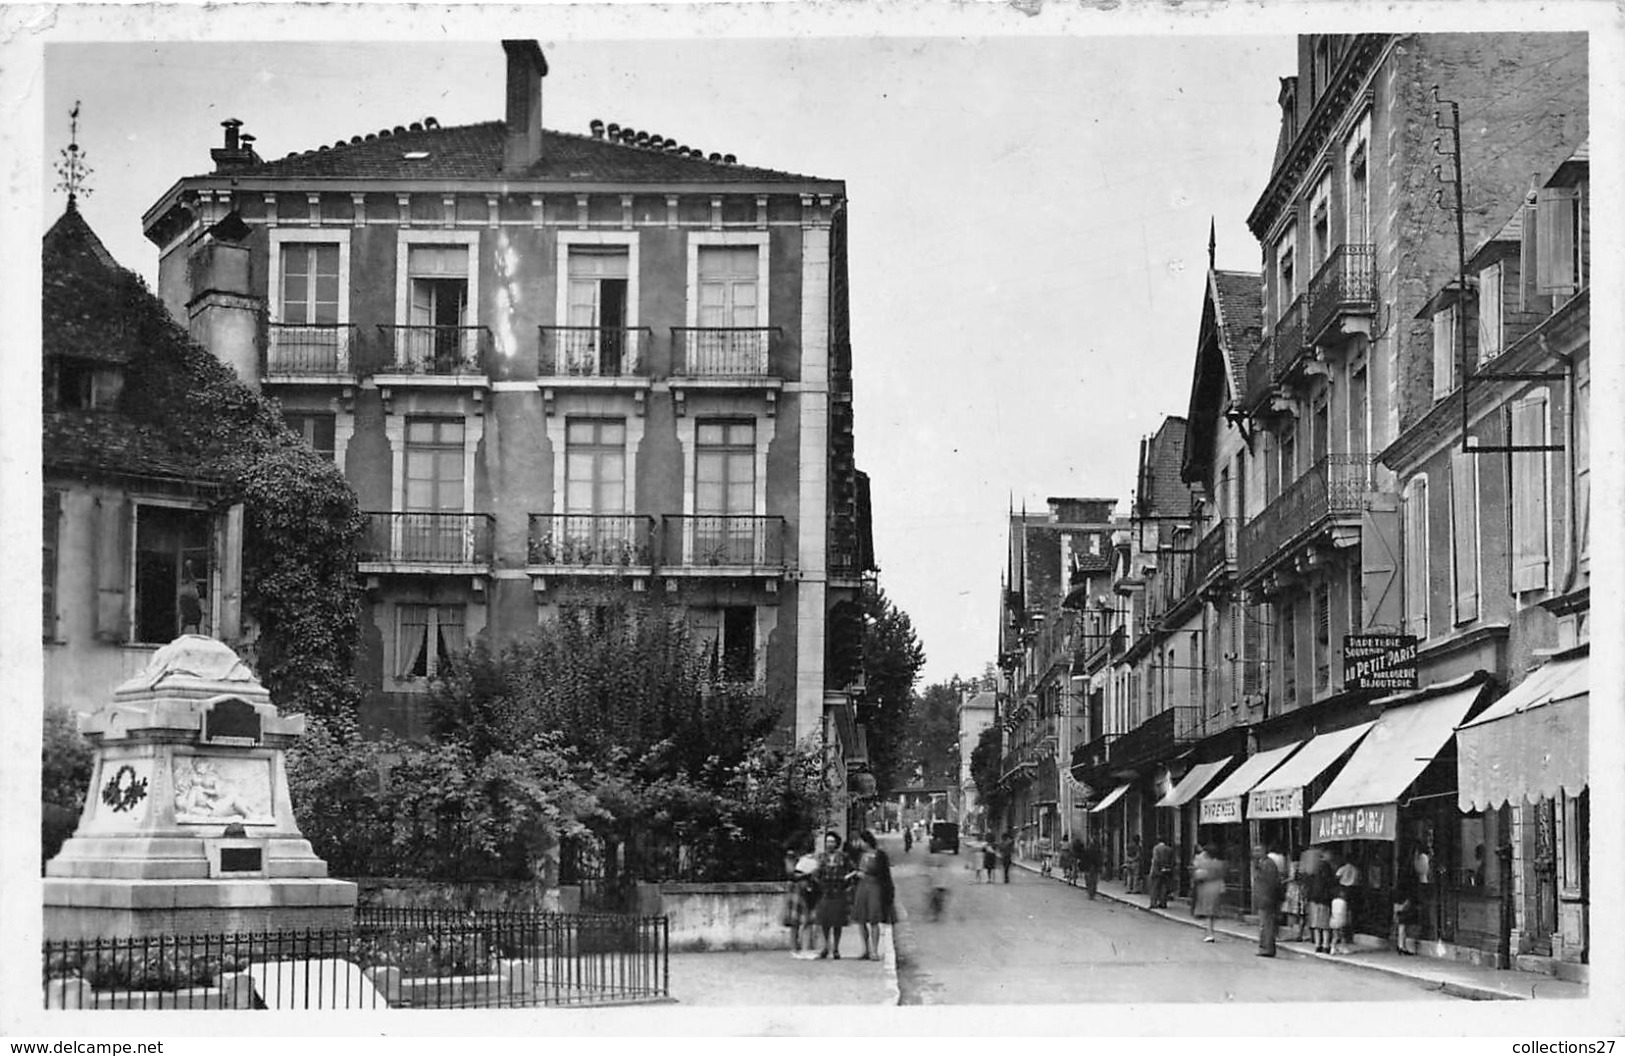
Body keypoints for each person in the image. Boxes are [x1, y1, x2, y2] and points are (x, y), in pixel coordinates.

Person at [850, 830, 894, 960]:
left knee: (874, 920)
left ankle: (874, 949)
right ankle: (866, 949)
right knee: (861, 920)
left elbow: (885, 874)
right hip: (862, 887)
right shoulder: (859, 855)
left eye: (862, 841)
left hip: (875, 887)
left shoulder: (879, 855)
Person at [812, 831, 853, 959]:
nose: (830, 844)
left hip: (839, 891)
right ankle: (826, 946)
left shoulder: (843, 857)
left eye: (832, 842)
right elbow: (815, 873)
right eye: (828, 842)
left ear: (837, 843)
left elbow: (853, 870)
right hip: (824, 892)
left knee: (837, 921)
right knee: (825, 921)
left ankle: (836, 948)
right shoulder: (820, 857)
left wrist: (846, 880)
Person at [783, 840, 821, 959]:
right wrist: (808, 874)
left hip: (808, 890)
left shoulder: (806, 858)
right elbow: (791, 874)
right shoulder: (791, 857)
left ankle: (805, 948)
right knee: (795, 921)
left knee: (808, 920)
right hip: (797, 889)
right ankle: (794, 949)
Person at [1252, 842, 1284, 957]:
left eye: (1258, 851)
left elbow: (1272, 883)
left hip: (1267, 899)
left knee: (1266, 925)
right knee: (1264, 925)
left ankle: (1267, 948)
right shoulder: (1261, 864)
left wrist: (1269, 898)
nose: (1255, 853)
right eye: (1254, 851)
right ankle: (1264, 947)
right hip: (1262, 899)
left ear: (1264, 852)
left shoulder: (1268, 864)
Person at [1305, 847, 1336, 954]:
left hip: (1315, 898)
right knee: (1325, 924)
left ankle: (1318, 944)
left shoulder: (1316, 868)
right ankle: (1325, 945)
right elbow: (1330, 883)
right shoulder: (1327, 867)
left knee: (1316, 924)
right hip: (1324, 899)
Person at [1192, 842, 1226, 942]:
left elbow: (1199, 875)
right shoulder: (1220, 863)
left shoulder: (1204, 863)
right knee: (1212, 911)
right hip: (1218, 887)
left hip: (1207, 887)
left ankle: (1209, 933)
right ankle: (1210, 931)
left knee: (1208, 912)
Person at [1392, 850, 1419, 956]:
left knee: (1401, 924)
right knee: (1402, 924)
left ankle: (1401, 945)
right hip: (1403, 898)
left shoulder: (1399, 872)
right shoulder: (1406, 873)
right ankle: (1401, 946)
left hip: (1400, 898)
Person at [1283, 857, 1308, 942]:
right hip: (1303, 890)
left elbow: (1292, 877)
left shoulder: (1293, 864)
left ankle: (1294, 934)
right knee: (1302, 914)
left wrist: (1283, 881)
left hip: (1294, 891)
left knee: (1293, 914)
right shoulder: (1306, 864)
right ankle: (1299, 933)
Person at [1148, 836, 1174, 908]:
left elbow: (1156, 860)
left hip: (1157, 870)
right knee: (1164, 887)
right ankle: (1163, 903)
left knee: (1155, 887)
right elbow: (1172, 861)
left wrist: (1156, 870)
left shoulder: (1156, 848)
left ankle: (1153, 903)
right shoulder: (1169, 849)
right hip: (1167, 870)